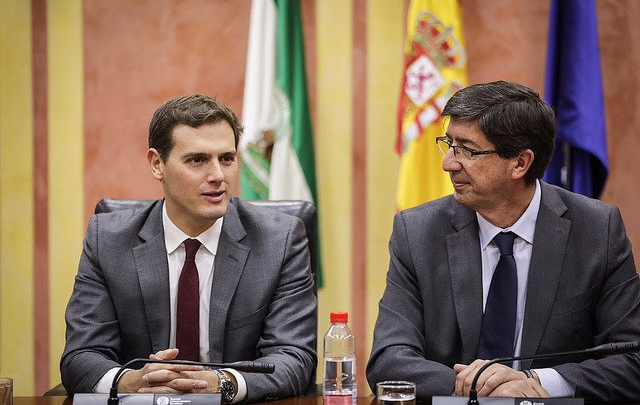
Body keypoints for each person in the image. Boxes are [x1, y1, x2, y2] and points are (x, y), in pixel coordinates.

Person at [366, 81, 640, 402]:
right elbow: (389, 359)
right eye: (449, 144)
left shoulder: (597, 230)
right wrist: (482, 386)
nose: (449, 163)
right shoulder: (418, 231)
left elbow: (632, 360)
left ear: (520, 163)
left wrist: (538, 382)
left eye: (467, 150)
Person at [61, 94, 317, 402]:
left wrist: (222, 382)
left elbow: (293, 359)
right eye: (197, 160)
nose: (218, 176)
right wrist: (131, 381)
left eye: (226, 158)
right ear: (157, 164)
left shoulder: (280, 240)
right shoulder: (109, 239)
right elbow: (82, 356)